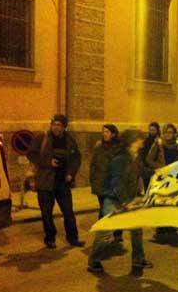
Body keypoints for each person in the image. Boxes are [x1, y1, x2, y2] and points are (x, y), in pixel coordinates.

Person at [87, 130, 152, 276]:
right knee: (106, 234)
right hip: (114, 200)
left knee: (136, 230)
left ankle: (138, 259)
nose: (142, 143)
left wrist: (158, 171)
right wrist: (126, 202)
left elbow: (142, 171)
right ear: (133, 141)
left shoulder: (134, 157)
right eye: (140, 139)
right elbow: (116, 182)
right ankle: (93, 261)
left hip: (128, 199)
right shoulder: (120, 159)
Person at [27, 114, 83, 249]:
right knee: (47, 213)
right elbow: (31, 154)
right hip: (45, 182)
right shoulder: (42, 138)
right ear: (51, 125)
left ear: (64, 127)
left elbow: (76, 158)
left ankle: (73, 238)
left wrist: (71, 173)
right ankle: (50, 238)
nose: (57, 127)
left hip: (63, 182)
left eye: (60, 125)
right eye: (55, 124)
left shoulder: (69, 140)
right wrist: (48, 162)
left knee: (68, 212)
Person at [146, 123, 178, 242]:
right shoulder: (158, 143)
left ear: (174, 133)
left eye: (171, 132)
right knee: (161, 201)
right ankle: (161, 227)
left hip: (173, 178)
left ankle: (170, 225)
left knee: (172, 201)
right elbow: (149, 159)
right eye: (167, 132)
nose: (168, 134)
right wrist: (160, 168)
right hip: (162, 178)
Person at [90, 124, 123, 243]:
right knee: (105, 209)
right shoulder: (99, 148)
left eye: (107, 132)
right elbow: (93, 165)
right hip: (102, 185)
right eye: (103, 131)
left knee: (115, 210)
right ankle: (104, 234)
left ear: (113, 134)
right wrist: (93, 180)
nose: (104, 134)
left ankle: (116, 233)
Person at [139, 122, 160, 192]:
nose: (151, 132)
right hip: (146, 169)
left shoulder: (159, 142)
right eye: (150, 130)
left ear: (157, 131)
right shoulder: (146, 141)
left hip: (156, 168)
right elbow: (142, 153)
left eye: (153, 130)